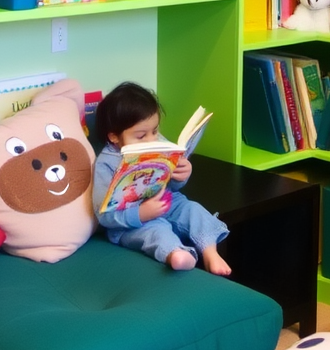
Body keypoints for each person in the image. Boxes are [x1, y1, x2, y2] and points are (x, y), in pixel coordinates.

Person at [92, 82, 231, 275]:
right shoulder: (105, 164)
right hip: (133, 222)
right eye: (141, 136)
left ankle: (209, 251)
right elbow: (104, 214)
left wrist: (182, 173)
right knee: (157, 231)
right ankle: (176, 254)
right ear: (114, 137)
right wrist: (141, 214)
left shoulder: (158, 142)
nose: (152, 140)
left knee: (193, 209)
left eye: (155, 131)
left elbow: (172, 185)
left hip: (167, 201)